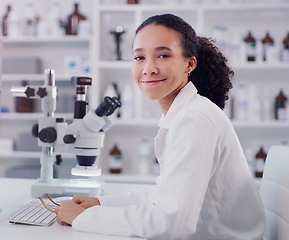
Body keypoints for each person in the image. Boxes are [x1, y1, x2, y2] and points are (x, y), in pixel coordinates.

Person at [55, 14, 265, 239]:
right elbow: (164, 197)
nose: (149, 68)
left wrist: (82, 218)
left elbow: (169, 224)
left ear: (189, 64)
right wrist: (100, 204)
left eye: (163, 55)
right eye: (139, 57)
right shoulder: (181, 114)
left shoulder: (195, 119)